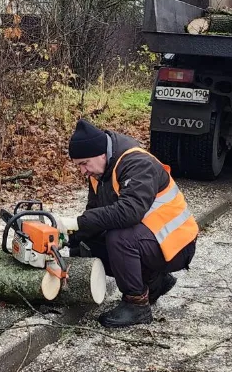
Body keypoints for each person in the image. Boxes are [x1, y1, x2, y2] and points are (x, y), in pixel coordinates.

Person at [57, 119, 198, 328]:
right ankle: (155, 281)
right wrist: (69, 237)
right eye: (79, 165)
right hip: (152, 240)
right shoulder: (99, 171)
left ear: (101, 154)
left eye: (84, 164)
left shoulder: (137, 163)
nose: (82, 171)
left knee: (120, 238)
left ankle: (137, 305)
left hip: (176, 244)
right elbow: (95, 215)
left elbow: (129, 213)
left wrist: (77, 222)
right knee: (87, 238)